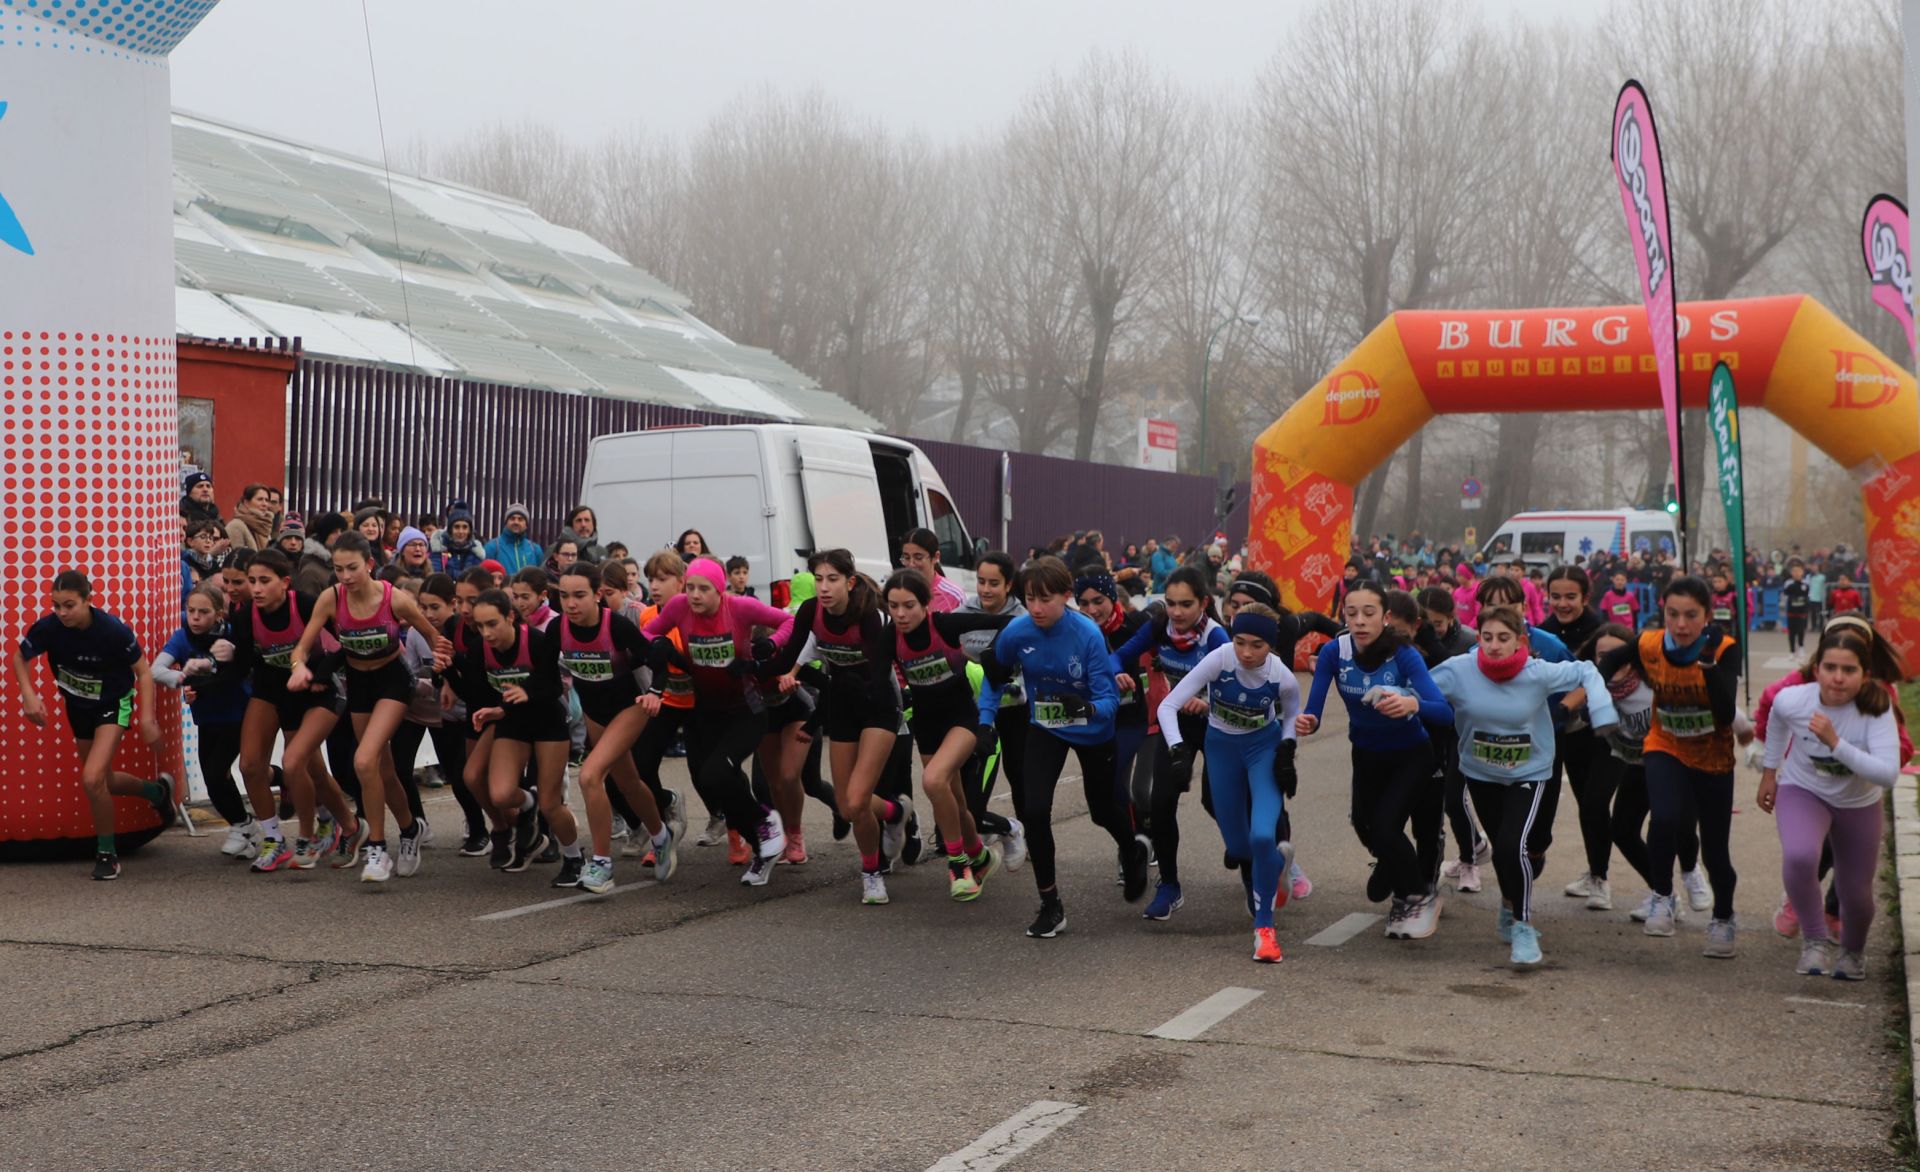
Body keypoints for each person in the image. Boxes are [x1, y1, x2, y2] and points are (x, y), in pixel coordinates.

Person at [1430, 606, 1616, 967]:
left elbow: (1588, 672)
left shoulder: (1538, 672)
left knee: (1513, 846)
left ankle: (1522, 925)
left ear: (1520, 641)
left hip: (1528, 772)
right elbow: (1418, 684)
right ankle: (1509, 902)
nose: (1495, 646)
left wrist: (1604, 711)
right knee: (1501, 849)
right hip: (1481, 772)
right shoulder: (1460, 669)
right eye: (1487, 638)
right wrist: (1398, 696)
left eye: (1503, 638)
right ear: (1478, 638)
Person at [979, 556, 1148, 939]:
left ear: (1066, 597)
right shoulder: (1018, 631)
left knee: (1102, 810)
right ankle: (1050, 904)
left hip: (1093, 730)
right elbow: (994, 675)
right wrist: (985, 722)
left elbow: (1108, 701)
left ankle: (1132, 848)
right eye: (1029, 599)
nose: (1036, 608)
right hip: (1047, 727)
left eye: (1046, 599)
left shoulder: (1087, 634)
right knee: (1034, 810)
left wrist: (1087, 707)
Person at [288, 533, 451, 883]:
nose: (345, 576)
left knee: (364, 760)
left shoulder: (397, 599)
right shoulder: (330, 599)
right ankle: (411, 830)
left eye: (352, 568)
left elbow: (436, 639)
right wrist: (299, 667)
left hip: (393, 680)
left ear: (370, 565)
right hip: (358, 684)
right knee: (382, 770)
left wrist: (446, 675)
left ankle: (377, 848)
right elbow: (300, 648)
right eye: (338, 569)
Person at [1297, 580, 1453, 940]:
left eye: (1369, 613)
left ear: (1384, 617)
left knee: (1385, 827)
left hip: (1411, 754)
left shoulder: (1403, 654)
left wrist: (1413, 704)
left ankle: (1416, 896)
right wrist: (1309, 720)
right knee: (1366, 827)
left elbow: (1443, 713)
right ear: (1343, 616)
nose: (1361, 621)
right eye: (1352, 613)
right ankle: (1396, 868)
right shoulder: (1336, 653)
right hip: (1366, 753)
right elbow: (1314, 706)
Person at [1597, 577, 1741, 955]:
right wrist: (1592, 697)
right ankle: (1662, 895)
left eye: (1691, 616)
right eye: (1672, 614)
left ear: (1707, 616)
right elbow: (1607, 662)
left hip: (1712, 755)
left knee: (1715, 851)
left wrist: (1707, 665)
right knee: (1665, 817)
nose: (1680, 625)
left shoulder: (1725, 649)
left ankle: (1723, 918)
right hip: (1665, 744)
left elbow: (1726, 714)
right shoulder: (1648, 643)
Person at [1157, 603, 1302, 963]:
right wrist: (1177, 749)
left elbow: (1292, 715)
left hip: (1261, 750)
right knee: (1238, 847)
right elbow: (1167, 705)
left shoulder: (1281, 676)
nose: (1247, 653)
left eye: (1257, 645)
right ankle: (1274, 866)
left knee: (1263, 836)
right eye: (1240, 642)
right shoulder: (1219, 659)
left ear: (1271, 646)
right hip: (1221, 750)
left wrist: (1287, 748)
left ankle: (1265, 931)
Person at [640, 556, 794, 885]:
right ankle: (763, 847)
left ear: (720, 590)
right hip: (706, 711)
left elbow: (790, 623)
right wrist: (660, 644)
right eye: (691, 587)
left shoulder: (740, 608)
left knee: (719, 772)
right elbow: (645, 633)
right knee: (710, 783)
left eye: (704, 589)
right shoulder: (679, 607)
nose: (695, 595)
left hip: (746, 710)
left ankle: (766, 822)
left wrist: (767, 646)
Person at [10, 571, 172, 880]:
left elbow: (144, 672)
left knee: (92, 777)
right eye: (56, 606)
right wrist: (28, 696)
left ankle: (107, 854)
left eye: (69, 605)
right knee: (102, 781)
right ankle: (157, 793)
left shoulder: (111, 631)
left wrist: (147, 718)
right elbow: (20, 658)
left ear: (89, 600)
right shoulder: (49, 627)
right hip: (79, 706)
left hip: (113, 704)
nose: (62, 613)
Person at [1758, 627, 1898, 981]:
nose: (1838, 678)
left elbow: (1888, 775)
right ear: (1816, 669)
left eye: (1848, 670)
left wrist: (1836, 744)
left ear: (1865, 675)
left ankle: (1852, 952)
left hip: (1858, 803)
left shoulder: (1876, 710)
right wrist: (1769, 772)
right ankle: (1815, 940)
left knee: (1857, 896)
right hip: (1804, 791)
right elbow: (1775, 717)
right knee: (1801, 856)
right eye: (1830, 667)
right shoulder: (1795, 700)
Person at [764, 549, 902, 902]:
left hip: (879, 707)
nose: (824, 588)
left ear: (850, 582)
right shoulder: (811, 610)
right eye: (819, 580)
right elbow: (788, 656)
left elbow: (878, 671)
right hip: (841, 705)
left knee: (856, 802)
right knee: (845, 804)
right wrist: (754, 661)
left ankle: (871, 874)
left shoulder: (869, 616)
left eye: (832, 579)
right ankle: (895, 811)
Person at [1108, 566, 1227, 922]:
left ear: (1203, 602)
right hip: (1176, 723)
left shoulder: (1216, 638)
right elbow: (1120, 653)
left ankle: (1254, 857)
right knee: (1160, 802)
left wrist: (1208, 700)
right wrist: (1117, 670)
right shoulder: (1160, 626)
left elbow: (1241, 684)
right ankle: (1170, 886)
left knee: (1215, 801)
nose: (1177, 612)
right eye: (1171, 603)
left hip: (1216, 724)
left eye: (1186, 604)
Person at [883, 568, 1010, 899]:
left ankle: (958, 865)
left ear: (925, 603)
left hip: (962, 718)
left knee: (933, 781)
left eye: (908, 605)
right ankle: (979, 855)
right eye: (893, 606)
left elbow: (1007, 624)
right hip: (926, 724)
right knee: (954, 800)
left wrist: (997, 657)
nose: (900, 613)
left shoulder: (945, 625)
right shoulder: (889, 636)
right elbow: (868, 671)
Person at [554, 561, 677, 894]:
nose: (571, 604)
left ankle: (602, 865)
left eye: (579, 595)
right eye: (564, 596)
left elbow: (658, 658)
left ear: (599, 594)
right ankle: (662, 836)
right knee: (628, 782)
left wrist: (654, 692)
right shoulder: (558, 629)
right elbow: (540, 672)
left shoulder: (618, 626)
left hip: (629, 708)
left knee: (590, 776)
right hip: (595, 715)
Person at [464, 588, 576, 877]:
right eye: (479, 626)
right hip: (513, 722)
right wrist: (494, 709)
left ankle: (575, 859)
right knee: (500, 795)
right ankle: (529, 803)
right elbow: (477, 692)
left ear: (510, 617)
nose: (486, 633)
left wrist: (527, 692)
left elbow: (555, 686)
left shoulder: (537, 642)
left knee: (552, 803)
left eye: (492, 624)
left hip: (548, 720)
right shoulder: (479, 649)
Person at [154, 583, 255, 855]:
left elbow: (245, 666)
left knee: (217, 771)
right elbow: (155, 670)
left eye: (203, 612)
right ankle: (246, 826)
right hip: (207, 717)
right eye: (190, 611)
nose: (195, 617)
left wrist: (221, 664)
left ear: (219, 614)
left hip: (238, 712)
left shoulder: (232, 634)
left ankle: (242, 824)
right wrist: (183, 680)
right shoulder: (182, 636)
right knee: (214, 780)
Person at [1537, 567, 1614, 908]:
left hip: (1590, 730)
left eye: (1571, 597)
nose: (1562, 603)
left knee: (1592, 804)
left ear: (1586, 597)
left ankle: (1599, 877)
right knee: (1542, 802)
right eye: (1556, 596)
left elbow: (1600, 678)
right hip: (1549, 731)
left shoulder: (1602, 632)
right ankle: (1533, 859)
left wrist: (1571, 706)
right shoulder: (1542, 633)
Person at [960, 552, 1029, 869]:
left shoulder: (1021, 619)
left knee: (1020, 779)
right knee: (965, 796)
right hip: (973, 715)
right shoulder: (964, 611)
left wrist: (1013, 685)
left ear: (1009, 584)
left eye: (993, 583)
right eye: (981, 581)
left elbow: (1028, 670)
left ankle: (1024, 833)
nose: (985, 589)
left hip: (1013, 713)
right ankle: (993, 828)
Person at [901, 528, 967, 613]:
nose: (911, 564)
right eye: (906, 558)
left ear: (936, 557)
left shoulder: (953, 595)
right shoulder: (898, 590)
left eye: (918, 557)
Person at [488, 503, 542, 575]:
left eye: (520, 519)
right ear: (506, 523)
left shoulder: (535, 550)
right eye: (512, 518)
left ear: (526, 525)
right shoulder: (492, 547)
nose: (516, 522)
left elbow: (541, 578)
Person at [434, 503, 487, 576]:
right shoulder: (439, 550)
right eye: (456, 527)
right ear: (450, 529)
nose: (461, 531)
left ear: (469, 531)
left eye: (465, 527)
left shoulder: (476, 552)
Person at [181, 519, 222, 609]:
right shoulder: (185, 560)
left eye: (211, 538)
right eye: (203, 537)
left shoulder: (213, 563)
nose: (208, 541)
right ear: (190, 541)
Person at [225, 483, 276, 553]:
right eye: (260, 499)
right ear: (246, 503)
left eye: (267, 500)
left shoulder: (265, 526)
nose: (264, 504)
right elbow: (237, 557)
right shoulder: (236, 526)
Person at [1780, 560, 1812, 654]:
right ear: (1791, 573)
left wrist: (1806, 608)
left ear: (1802, 572)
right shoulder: (1788, 583)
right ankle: (1792, 651)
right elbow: (1785, 596)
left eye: (1798, 571)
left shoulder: (1806, 584)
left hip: (1802, 612)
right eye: (1794, 571)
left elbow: (1808, 596)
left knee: (1801, 630)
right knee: (1792, 631)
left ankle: (1801, 646)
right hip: (1791, 611)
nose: (1796, 573)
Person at [180, 470, 223, 536]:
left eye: (208, 486)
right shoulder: (181, 515)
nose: (205, 490)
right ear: (189, 492)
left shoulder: (217, 516)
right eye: (200, 486)